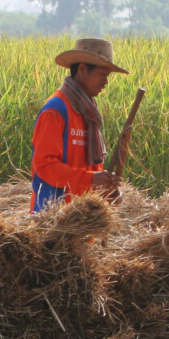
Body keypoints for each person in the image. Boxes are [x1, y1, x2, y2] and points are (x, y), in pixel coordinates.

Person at [30, 38, 129, 213]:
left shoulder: (89, 114)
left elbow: (91, 171)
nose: (106, 82)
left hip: (82, 221)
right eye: (102, 75)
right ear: (82, 69)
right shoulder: (56, 110)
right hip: (53, 220)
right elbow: (45, 166)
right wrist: (91, 179)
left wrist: (106, 191)